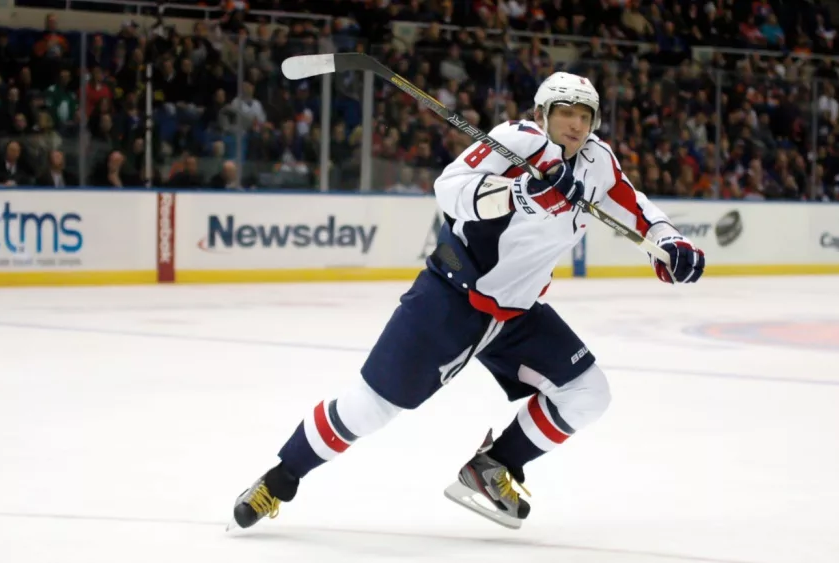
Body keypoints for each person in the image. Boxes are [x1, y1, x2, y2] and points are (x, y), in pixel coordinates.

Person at [229, 72, 706, 531]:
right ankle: (280, 478)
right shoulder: (515, 141)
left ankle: (494, 466)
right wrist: (519, 193)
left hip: (517, 315)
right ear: (542, 113)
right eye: (564, 112)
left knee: (588, 393)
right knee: (370, 408)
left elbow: (635, 207)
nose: (576, 124)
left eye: (585, 115)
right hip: (451, 300)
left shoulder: (597, 162)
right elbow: (450, 190)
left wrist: (670, 245)